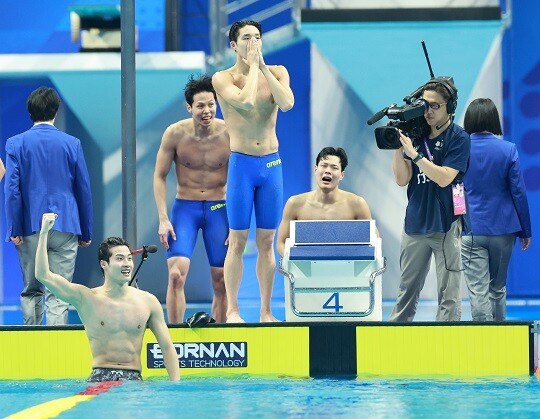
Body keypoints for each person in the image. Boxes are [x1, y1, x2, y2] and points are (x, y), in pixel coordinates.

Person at [212, 20, 294, 323]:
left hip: (271, 164)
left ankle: (266, 310)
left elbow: (286, 103)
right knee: (237, 240)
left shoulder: (279, 72)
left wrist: (262, 67)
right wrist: (254, 68)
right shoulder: (223, 78)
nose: (253, 43)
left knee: (266, 242)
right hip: (242, 166)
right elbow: (245, 103)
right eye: (247, 38)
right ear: (234, 46)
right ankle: (233, 309)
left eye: (258, 37)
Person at [35, 213, 180, 382]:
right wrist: (44, 232)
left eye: (129, 258)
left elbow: (167, 347)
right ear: (104, 264)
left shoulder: (148, 301)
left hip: (135, 380)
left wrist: (175, 387)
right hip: (100, 379)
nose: (127, 264)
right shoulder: (87, 298)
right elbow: (42, 275)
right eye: (119, 259)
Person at [4, 86, 93, 326]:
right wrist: (85, 231)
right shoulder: (71, 143)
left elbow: (12, 190)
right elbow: (83, 190)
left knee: (32, 289)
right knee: (60, 292)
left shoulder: (15, 144)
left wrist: (14, 228)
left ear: (29, 112)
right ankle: (56, 351)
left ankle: (33, 347)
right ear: (56, 110)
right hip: (66, 226)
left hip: (30, 226)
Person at [389, 78, 470, 322]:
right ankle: (393, 342)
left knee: (449, 293)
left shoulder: (459, 138)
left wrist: (415, 156)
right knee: (406, 290)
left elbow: (445, 178)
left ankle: (445, 346)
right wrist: (398, 145)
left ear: (450, 108)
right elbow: (402, 179)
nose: (428, 111)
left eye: (435, 106)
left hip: (445, 224)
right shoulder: (416, 135)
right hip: (415, 223)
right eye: (424, 105)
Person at [153, 75, 230, 324]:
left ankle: (221, 335)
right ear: (189, 107)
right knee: (175, 275)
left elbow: (243, 180)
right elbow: (159, 176)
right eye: (200, 106)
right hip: (185, 208)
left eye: (211, 104)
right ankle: (174, 336)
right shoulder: (175, 134)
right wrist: (163, 219)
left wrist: (239, 224)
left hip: (220, 208)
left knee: (222, 279)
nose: (207, 111)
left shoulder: (230, 133)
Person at [461, 98, 531, 321]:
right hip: (504, 230)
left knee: (477, 291)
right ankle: (501, 338)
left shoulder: (459, 151)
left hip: (470, 230)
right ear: (494, 119)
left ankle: (484, 341)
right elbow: (518, 193)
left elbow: (454, 190)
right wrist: (525, 231)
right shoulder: (508, 150)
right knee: (497, 287)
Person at [277, 147, 374, 257]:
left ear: (342, 175)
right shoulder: (295, 204)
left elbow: (374, 241)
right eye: (324, 165)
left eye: (334, 167)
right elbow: (281, 243)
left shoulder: (357, 204)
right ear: (315, 169)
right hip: (305, 271)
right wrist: (294, 263)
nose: (328, 170)